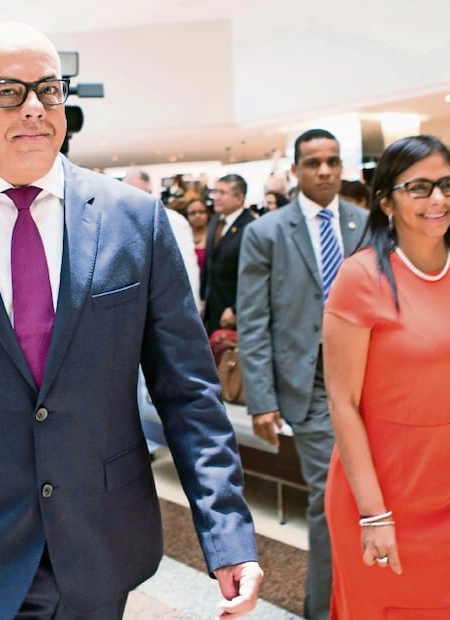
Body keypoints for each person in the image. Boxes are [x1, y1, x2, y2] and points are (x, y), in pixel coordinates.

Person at [0, 22, 262, 620]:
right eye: (7, 92)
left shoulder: (136, 220)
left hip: (99, 541)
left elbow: (188, 392)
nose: (34, 108)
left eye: (48, 90)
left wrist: (228, 535)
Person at [322, 135, 450, 618]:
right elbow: (343, 402)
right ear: (386, 201)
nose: (438, 199)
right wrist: (374, 513)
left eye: (447, 184)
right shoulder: (361, 277)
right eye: (419, 187)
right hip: (384, 490)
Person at [237, 128, 368, 620]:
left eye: (332, 161)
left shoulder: (365, 225)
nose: (325, 171)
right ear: (295, 170)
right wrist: (262, 399)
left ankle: (366, 602)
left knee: (370, 498)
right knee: (332, 496)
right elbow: (253, 320)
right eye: (313, 163)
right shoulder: (267, 233)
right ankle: (323, 610)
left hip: (369, 381)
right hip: (310, 385)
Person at [123, 169, 200, 308]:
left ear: (149, 192)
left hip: (166, 303)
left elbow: (187, 268)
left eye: (137, 192)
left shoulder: (172, 220)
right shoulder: (118, 222)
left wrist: (192, 308)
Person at [201, 174, 256, 335]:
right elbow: (210, 262)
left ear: (239, 198)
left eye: (222, 193)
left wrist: (236, 309)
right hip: (213, 308)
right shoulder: (215, 220)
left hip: (236, 313)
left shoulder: (250, 227)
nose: (216, 197)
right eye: (215, 192)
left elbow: (253, 275)